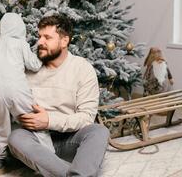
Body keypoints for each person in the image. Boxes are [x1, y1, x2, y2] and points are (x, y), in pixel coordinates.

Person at [8, 14, 110, 177]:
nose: (40, 42)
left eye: (47, 37)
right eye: (39, 36)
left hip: (71, 139)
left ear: (64, 41)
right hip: (37, 141)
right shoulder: (27, 70)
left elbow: (86, 118)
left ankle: (72, 171)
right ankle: (76, 174)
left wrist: (49, 120)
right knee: (16, 137)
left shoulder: (82, 69)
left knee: (99, 132)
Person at [0, 13, 55, 169]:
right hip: (17, 91)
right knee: (33, 120)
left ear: (0, 30)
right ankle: (50, 155)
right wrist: (40, 55)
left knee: (1, 125)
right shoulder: (19, 44)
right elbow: (33, 65)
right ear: (21, 29)